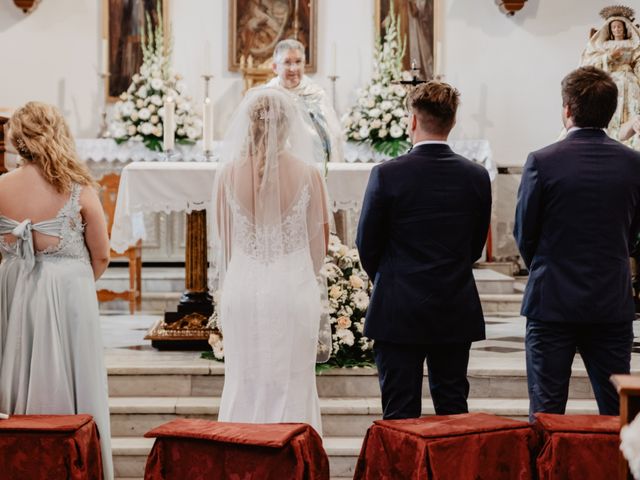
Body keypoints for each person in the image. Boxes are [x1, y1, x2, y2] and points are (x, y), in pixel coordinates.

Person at [356, 81, 491, 419]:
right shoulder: (476, 176)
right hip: (453, 305)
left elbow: (367, 243)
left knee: (399, 412)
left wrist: (390, 277)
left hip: (398, 307)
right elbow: (475, 245)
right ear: (453, 122)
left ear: (412, 121)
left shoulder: (387, 174)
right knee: (453, 408)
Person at [514, 66, 640, 418]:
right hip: (610, 301)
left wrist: (547, 264)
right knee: (618, 413)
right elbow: (633, 232)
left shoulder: (542, 161)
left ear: (567, 109)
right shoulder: (634, 164)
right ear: (612, 112)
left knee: (546, 411)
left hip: (551, 300)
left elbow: (525, 232)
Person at [0, 102, 113, 479]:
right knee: (75, 386)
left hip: (14, 290)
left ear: (17, 139)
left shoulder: (1, 187)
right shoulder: (77, 188)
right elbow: (102, 254)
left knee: (15, 382)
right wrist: (73, 283)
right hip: (70, 296)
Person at [212, 88, 331, 434]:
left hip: (244, 287)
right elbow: (319, 247)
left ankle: (240, 460)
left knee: (244, 380)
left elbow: (227, 242)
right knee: (293, 382)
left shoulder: (226, 176)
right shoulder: (310, 174)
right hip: (293, 288)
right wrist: (292, 270)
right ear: (290, 126)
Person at [262, 38, 343, 163]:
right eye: (287, 62)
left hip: (312, 163)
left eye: (298, 62)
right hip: (277, 164)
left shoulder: (316, 94)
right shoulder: (267, 96)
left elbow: (332, 135)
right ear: (274, 67)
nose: (293, 69)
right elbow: (259, 133)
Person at [581, 5, 640, 149]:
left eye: (620, 27)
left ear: (625, 28)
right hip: (610, 81)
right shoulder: (602, 45)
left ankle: (632, 139)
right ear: (610, 30)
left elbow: (637, 61)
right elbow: (588, 64)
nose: (617, 30)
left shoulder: (634, 44)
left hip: (630, 81)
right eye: (614, 27)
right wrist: (608, 57)